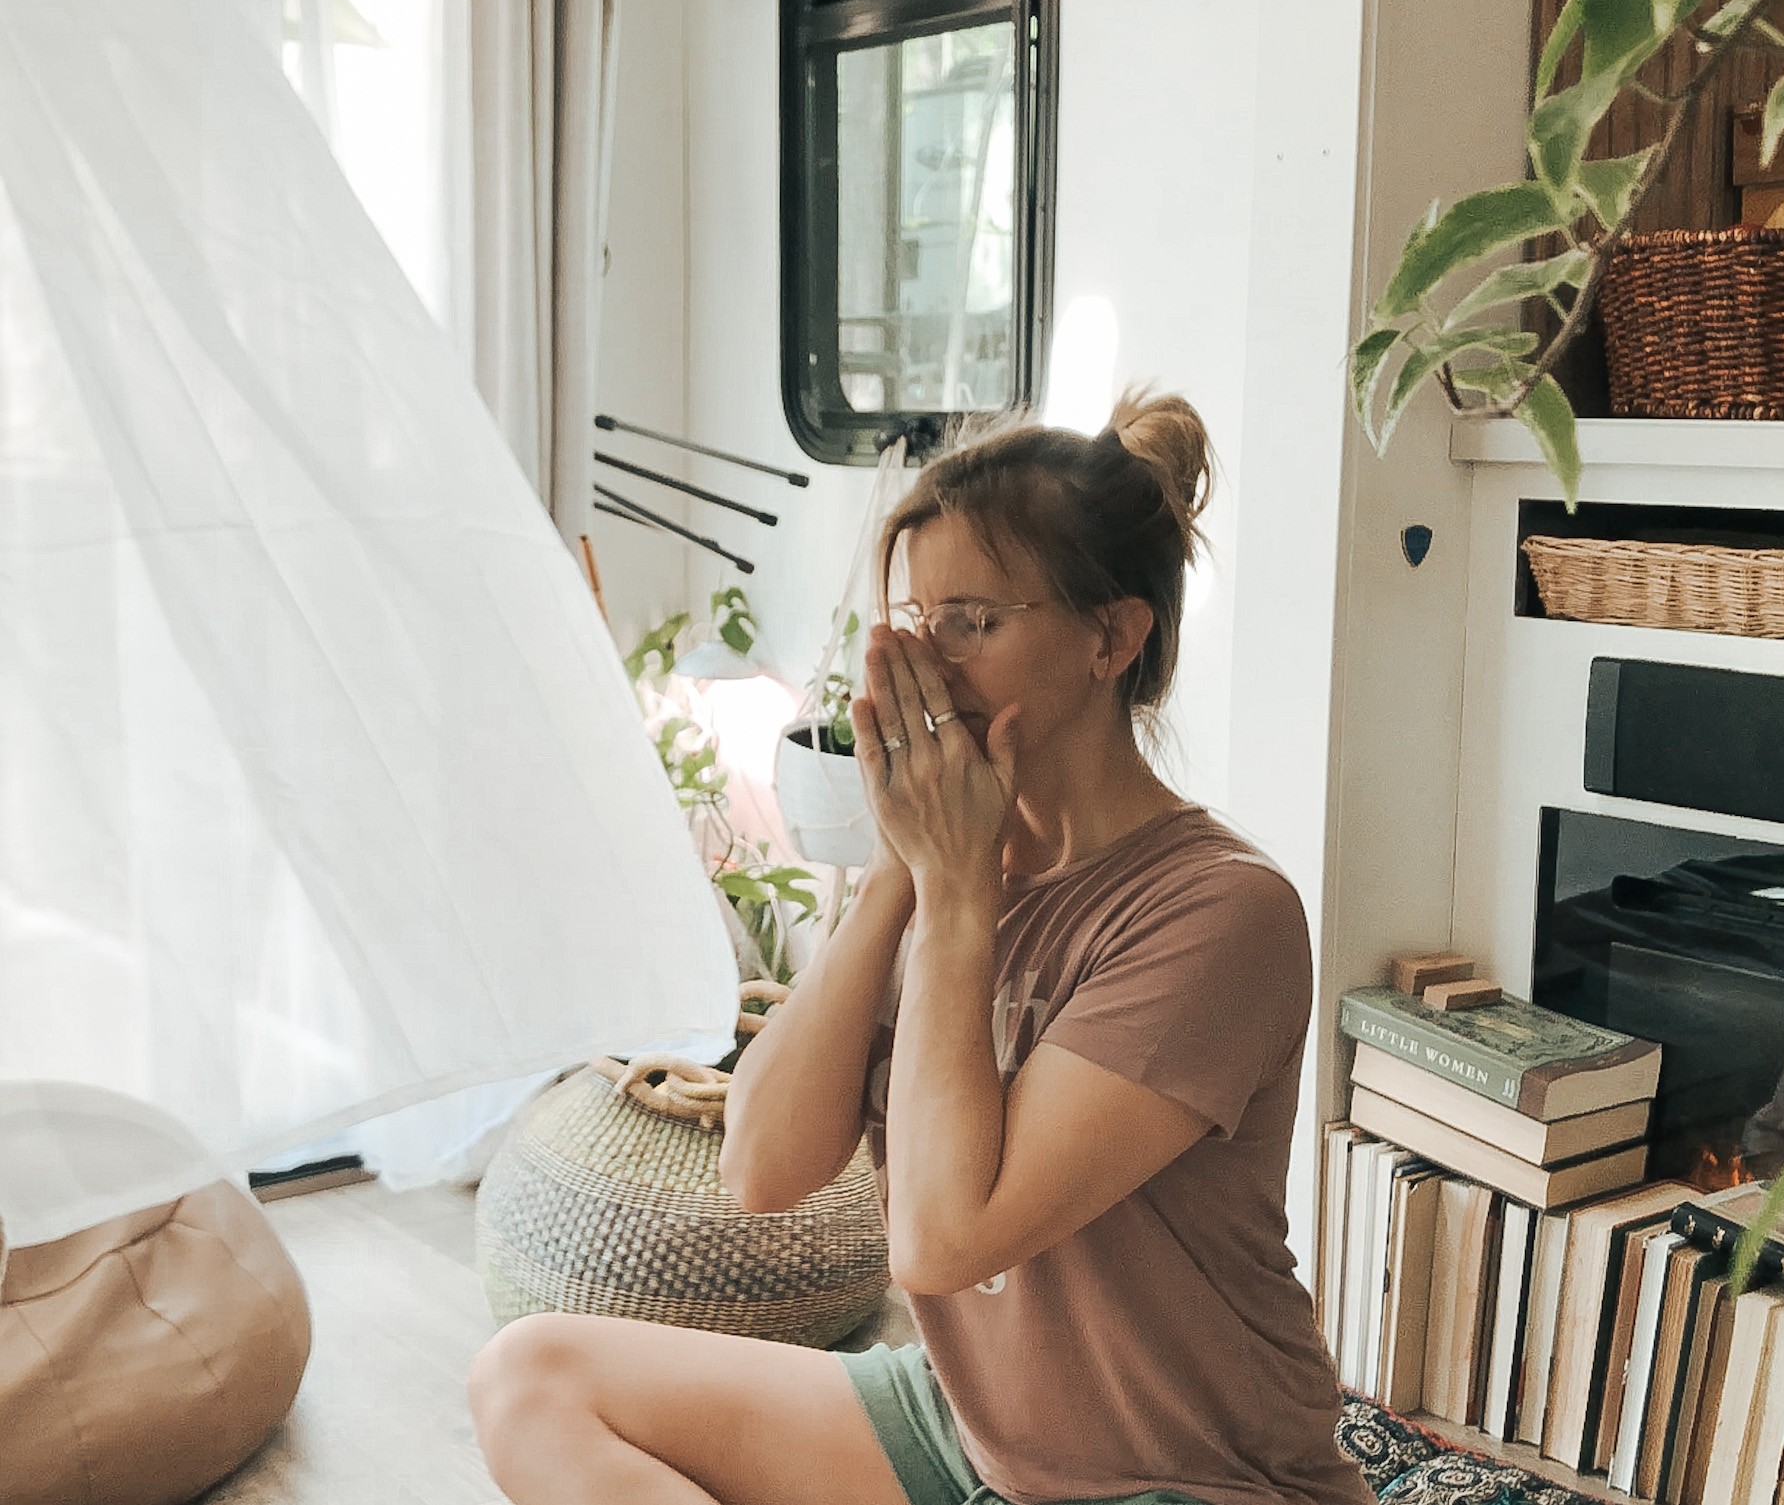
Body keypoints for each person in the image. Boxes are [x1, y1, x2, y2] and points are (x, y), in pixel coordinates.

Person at [468, 390, 1369, 1505]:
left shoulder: (1220, 913)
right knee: (532, 1375)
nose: (918, 661)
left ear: (1111, 636)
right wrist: (903, 871)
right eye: (909, 617)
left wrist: (949, 891)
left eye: (970, 622)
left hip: (1191, 1482)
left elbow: (942, 1242)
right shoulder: (947, 876)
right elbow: (763, 1167)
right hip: (974, 1441)